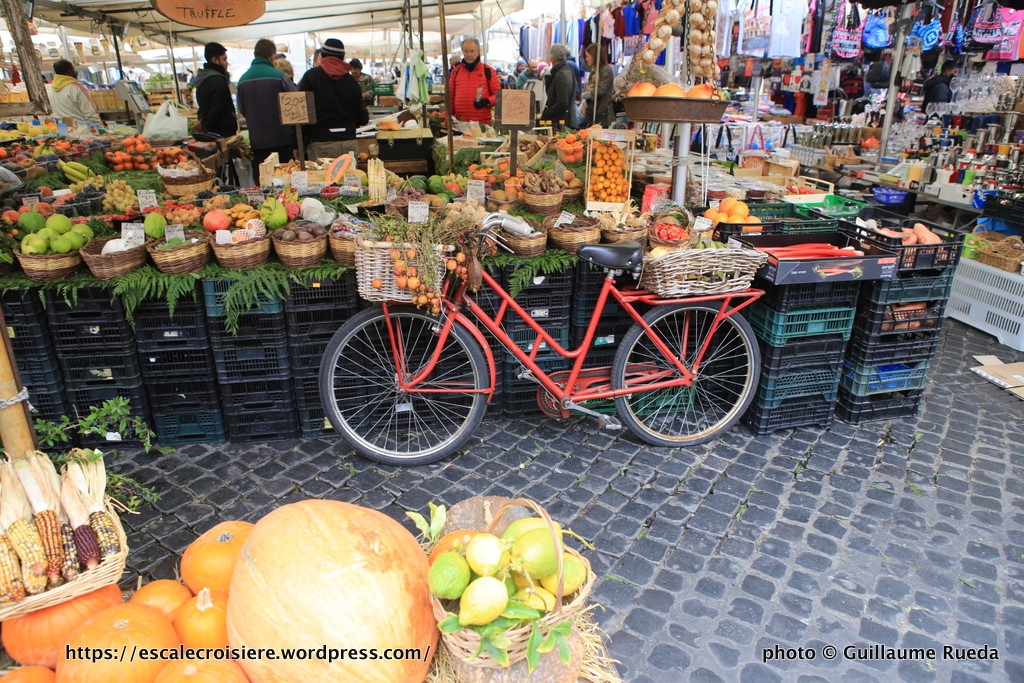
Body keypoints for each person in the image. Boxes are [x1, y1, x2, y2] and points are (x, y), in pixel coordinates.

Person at [297, 38, 368, 158]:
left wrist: (297, 144)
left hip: (321, 144)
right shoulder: (351, 82)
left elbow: (300, 115)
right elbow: (363, 118)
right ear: (343, 57)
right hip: (348, 144)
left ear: (323, 55)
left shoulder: (311, 77)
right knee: (350, 177)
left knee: (322, 177)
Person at [238, 39, 297, 181]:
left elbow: (242, 110)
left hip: (258, 142)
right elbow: (296, 108)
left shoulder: (242, 80)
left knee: (264, 181)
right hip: (282, 140)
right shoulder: (279, 76)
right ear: (272, 55)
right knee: (286, 181)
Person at [448, 38, 501, 125]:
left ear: (478, 51)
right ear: (462, 51)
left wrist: (487, 101)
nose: (469, 54)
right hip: (460, 123)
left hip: (482, 124)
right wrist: (448, 117)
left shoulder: (488, 71)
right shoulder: (455, 72)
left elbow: (499, 95)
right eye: (466, 51)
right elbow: (450, 97)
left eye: (472, 51)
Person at [195, 42, 238, 138]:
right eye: (224, 59)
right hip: (221, 132)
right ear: (215, 60)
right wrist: (207, 125)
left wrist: (204, 124)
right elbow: (217, 107)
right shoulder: (217, 80)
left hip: (210, 131)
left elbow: (203, 106)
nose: (227, 63)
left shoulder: (203, 78)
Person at [47, 60, 101, 125]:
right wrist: (99, 128)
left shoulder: (49, 89)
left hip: (60, 129)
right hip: (80, 130)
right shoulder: (77, 88)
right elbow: (90, 113)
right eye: (73, 69)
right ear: (69, 71)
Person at [541, 44, 578, 129]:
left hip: (560, 122)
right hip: (565, 119)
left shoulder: (561, 74)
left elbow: (562, 102)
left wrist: (547, 113)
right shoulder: (567, 71)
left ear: (552, 59)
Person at [580, 43, 613, 128]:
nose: (586, 59)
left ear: (594, 56)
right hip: (592, 111)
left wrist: (586, 95)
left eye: (588, 56)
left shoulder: (606, 71)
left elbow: (601, 90)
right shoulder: (594, 71)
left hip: (601, 112)